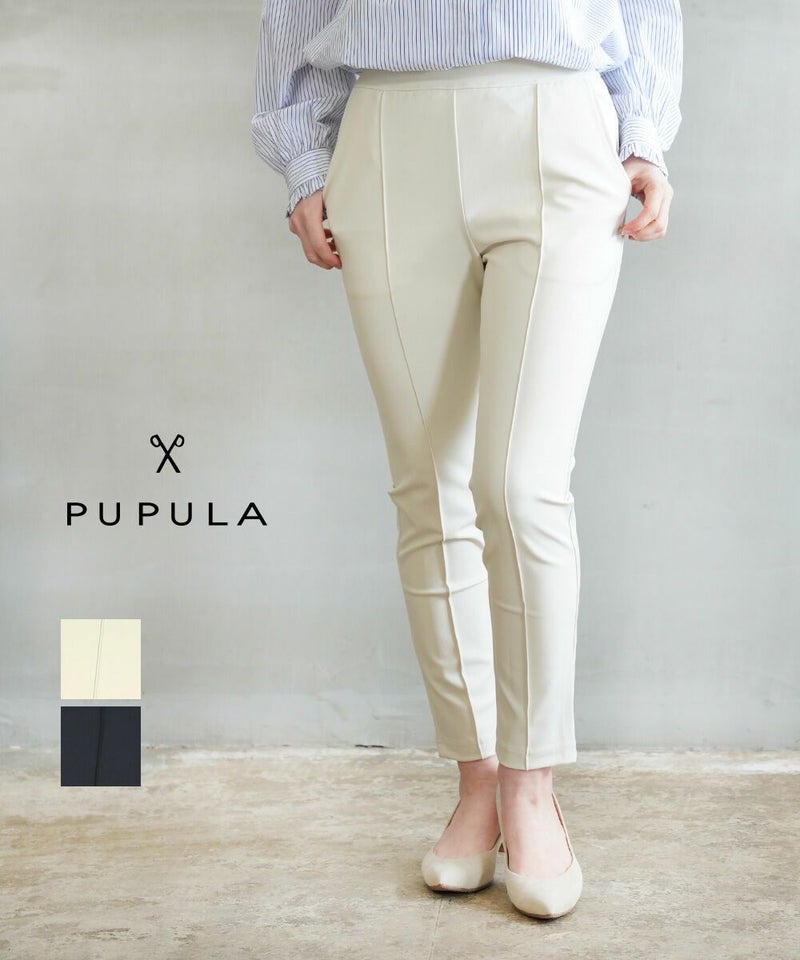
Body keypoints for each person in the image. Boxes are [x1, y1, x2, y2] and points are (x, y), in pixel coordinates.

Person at [251, 1, 683, 921]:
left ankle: (533, 787)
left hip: (559, 118)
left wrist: (643, 128)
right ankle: (478, 779)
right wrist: (302, 158)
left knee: (522, 487)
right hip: (387, 129)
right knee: (428, 485)